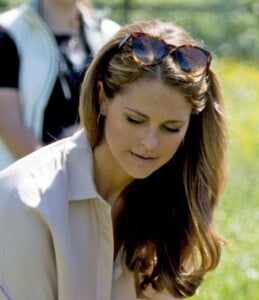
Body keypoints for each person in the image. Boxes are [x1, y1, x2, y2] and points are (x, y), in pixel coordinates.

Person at [0, 19, 227, 300]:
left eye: (171, 128)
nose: (150, 143)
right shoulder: (27, 202)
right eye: (134, 120)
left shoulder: (174, 201)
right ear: (102, 97)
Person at [0, 0, 120, 170]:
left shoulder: (111, 35)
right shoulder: (8, 31)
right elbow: (7, 121)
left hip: (92, 181)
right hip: (28, 181)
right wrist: (57, 175)